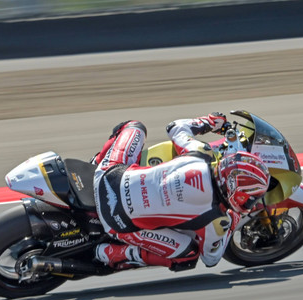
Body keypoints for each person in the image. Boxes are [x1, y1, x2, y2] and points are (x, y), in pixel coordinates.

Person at [92, 113, 271, 270]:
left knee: (134, 126)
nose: (252, 202)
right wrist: (234, 220)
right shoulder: (215, 219)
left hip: (106, 176)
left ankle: (94, 163)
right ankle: (115, 253)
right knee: (189, 255)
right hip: (119, 224)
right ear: (237, 196)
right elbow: (211, 259)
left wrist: (209, 122)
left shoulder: (200, 153)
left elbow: (175, 127)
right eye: (252, 199)